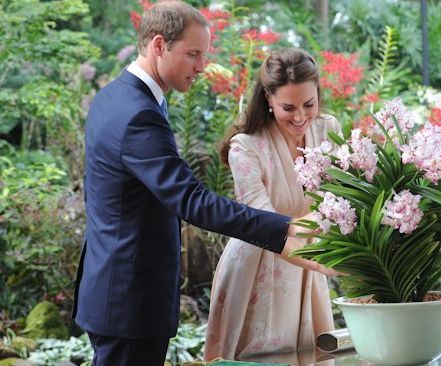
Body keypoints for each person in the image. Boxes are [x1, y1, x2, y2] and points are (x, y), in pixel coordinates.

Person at [72, 3, 334, 365]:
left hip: (116, 288)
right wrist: (286, 227)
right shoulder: (137, 114)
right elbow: (191, 200)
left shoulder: (115, 97)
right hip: (128, 298)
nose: (201, 66)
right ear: (159, 45)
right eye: (193, 54)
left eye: (203, 55)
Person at [203, 48, 337, 361]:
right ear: (268, 99)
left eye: (309, 104)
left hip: (310, 265)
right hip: (259, 265)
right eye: (288, 107)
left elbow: (342, 197)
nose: (301, 117)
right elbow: (265, 225)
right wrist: (331, 259)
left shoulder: (328, 130)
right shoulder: (246, 147)